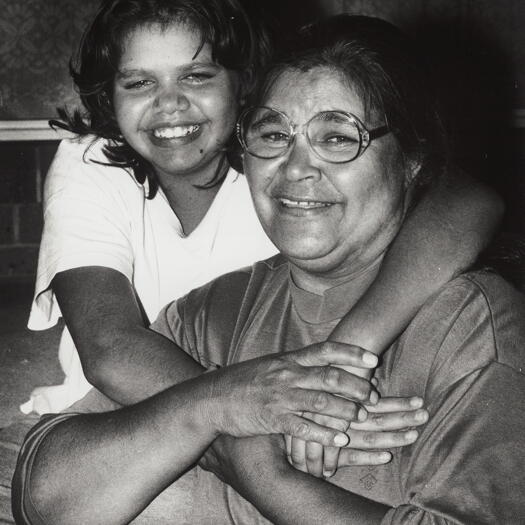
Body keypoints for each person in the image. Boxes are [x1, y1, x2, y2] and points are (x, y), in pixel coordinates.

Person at [13, 14, 525, 524]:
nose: (297, 167)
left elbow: (468, 198)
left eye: (338, 138)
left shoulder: (468, 328)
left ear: (411, 161)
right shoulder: (207, 311)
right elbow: (47, 492)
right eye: (274, 134)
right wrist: (217, 405)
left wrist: (272, 474)